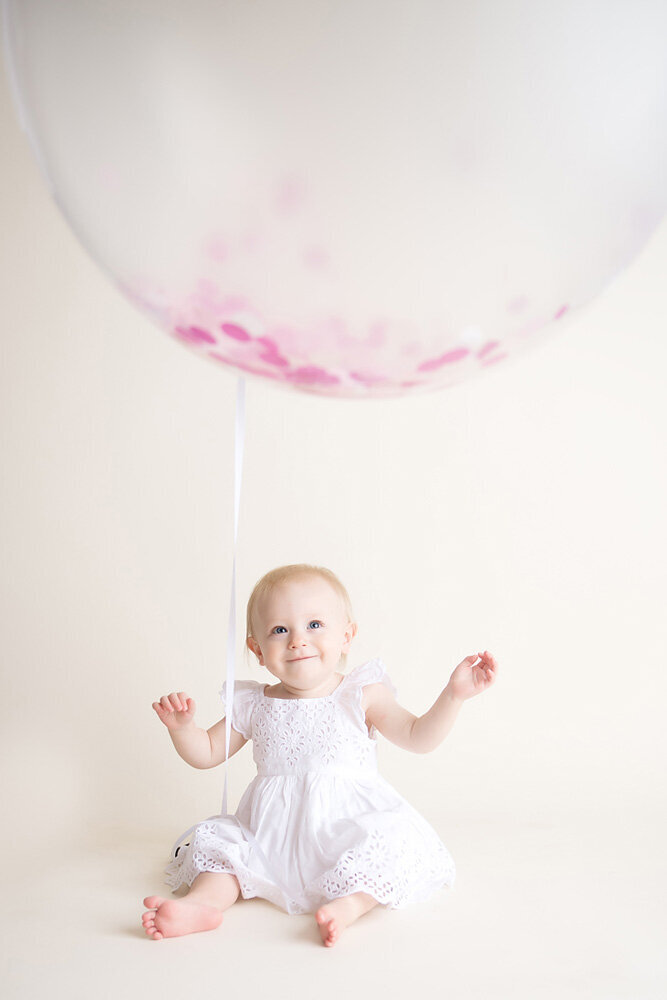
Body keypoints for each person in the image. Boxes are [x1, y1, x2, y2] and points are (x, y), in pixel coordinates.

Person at [141, 563, 498, 946]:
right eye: (280, 630)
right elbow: (208, 752)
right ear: (257, 649)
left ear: (347, 636)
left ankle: (349, 905)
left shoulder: (361, 693)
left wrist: (454, 695)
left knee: (392, 841)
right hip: (268, 837)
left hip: (344, 831)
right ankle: (202, 904)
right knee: (222, 847)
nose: (298, 640)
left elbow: (418, 737)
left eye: (314, 625)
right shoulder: (254, 703)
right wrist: (182, 729)